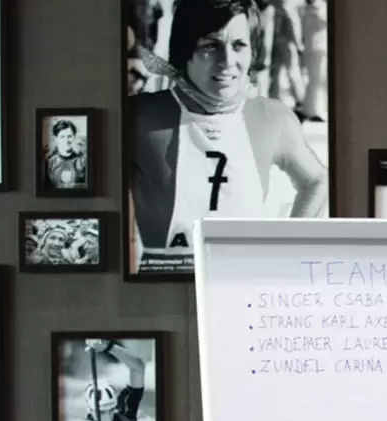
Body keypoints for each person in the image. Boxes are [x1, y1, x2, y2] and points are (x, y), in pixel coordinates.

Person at [129, 0, 328, 269]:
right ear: (184, 50)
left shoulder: (271, 116)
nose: (228, 62)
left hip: (245, 283)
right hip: (162, 287)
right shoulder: (142, 115)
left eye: (239, 45)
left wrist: (287, 249)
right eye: (211, 45)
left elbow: (317, 180)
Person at [76, 339, 149, 421]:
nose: (108, 417)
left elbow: (138, 368)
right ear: (90, 410)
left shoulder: (125, 411)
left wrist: (109, 347)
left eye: (111, 410)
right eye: (102, 412)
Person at [44, 118, 88, 191]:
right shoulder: (49, 162)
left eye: (69, 136)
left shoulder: (82, 161)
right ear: (56, 139)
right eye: (62, 137)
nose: (66, 140)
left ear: (74, 137)